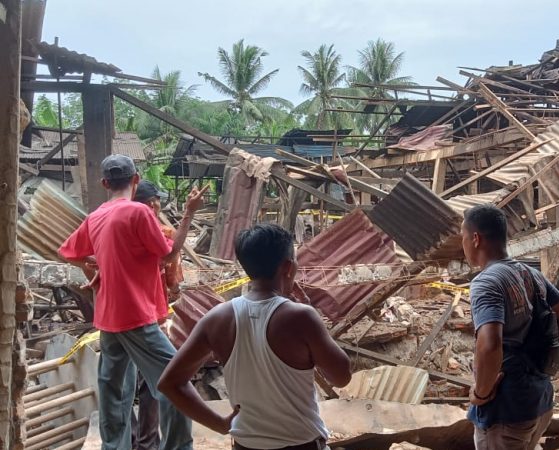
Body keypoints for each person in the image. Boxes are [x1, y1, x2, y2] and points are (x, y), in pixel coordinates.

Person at [158, 223, 352, 450]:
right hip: (301, 444)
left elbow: (170, 383)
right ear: (288, 267)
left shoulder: (216, 319)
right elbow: (341, 377)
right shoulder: (301, 317)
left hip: (245, 444)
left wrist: (220, 424)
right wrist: (315, 325)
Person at [60, 154, 205, 450]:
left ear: (104, 184)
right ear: (136, 179)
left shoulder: (96, 216)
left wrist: (98, 266)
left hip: (108, 318)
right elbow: (168, 254)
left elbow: (70, 252)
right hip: (136, 317)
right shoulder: (138, 213)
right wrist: (189, 213)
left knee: (115, 392)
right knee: (175, 384)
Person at [461, 204, 559, 450]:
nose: (463, 245)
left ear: (475, 239)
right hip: (539, 401)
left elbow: (490, 345)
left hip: (506, 411)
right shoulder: (530, 274)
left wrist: (480, 394)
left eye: (462, 238)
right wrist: (547, 367)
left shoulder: (486, 283)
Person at [129, 180, 184, 450]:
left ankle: (132, 439)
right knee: (156, 381)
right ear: (152, 204)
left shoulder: (117, 230)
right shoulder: (165, 234)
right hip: (151, 317)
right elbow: (174, 283)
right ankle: (148, 441)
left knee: (122, 382)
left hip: (120, 319)